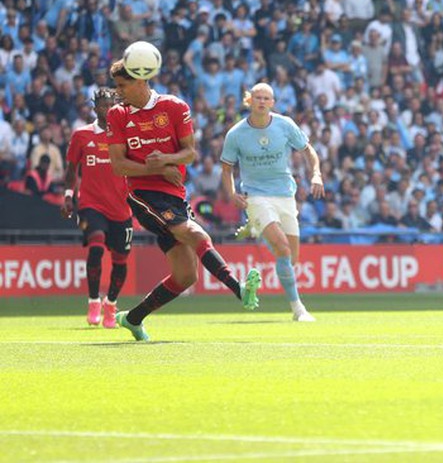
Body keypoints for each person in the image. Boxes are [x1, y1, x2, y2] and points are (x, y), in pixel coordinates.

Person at [106, 51, 261, 342]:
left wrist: (166, 160)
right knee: (196, 234)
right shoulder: (118, 114)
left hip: (175, 195)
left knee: (186, 276)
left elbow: (190, 153)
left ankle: (132, 319)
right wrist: (159, 169)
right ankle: (238, 289)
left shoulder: (174, 107)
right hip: (142, 195)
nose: (118, 91)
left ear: (140, 80)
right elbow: (118, 165)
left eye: (122, 85)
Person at [221, 82, 324, 322]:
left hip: (285, 194)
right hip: (256, 195)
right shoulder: (236, 134)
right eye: (258, 97)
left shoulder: (284, 124)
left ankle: (255, 228)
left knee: (290, 259)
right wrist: (232, 193)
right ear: (249, 101)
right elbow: (226, 168)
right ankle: (298, 309)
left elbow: (308, 150)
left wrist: (316, 174)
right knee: (283, 248)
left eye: (266, 98)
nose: (262, 102)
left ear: (273, 103)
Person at [62, 88, 132, 328]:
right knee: (96, 245)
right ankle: (93, 301)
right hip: (90, 204)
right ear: (95, 109)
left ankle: (110, 305)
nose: (108, 110)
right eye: (103, 105)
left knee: (121, 261)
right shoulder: (82, 135)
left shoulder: (125, 134)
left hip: (121, 208)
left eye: (112, 105)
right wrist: (68, 195)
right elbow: (71, 169)